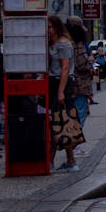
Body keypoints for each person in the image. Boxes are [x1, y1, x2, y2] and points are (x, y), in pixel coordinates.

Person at [47, 15, 78, 172]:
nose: (48, 30)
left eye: (50, 27)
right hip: (54, 83)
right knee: (62, 123)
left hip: (62, 83)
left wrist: (60, 91)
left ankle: (52, 161)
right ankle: (70, 161)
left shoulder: (63, 44)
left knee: (59, 123)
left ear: (57, 27)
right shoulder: (52, 44)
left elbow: (65, 68)